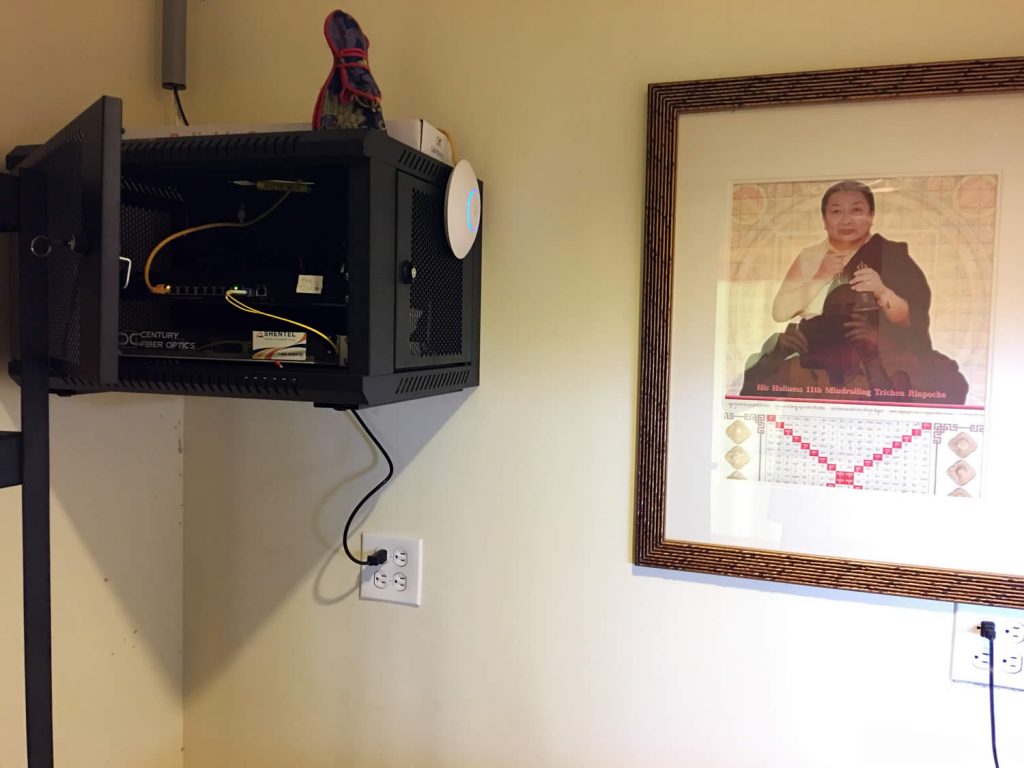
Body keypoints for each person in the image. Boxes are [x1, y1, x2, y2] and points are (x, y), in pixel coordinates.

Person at [771, 180, 932, 354]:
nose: (846, 220)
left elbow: (914, 319)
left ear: (871, 216)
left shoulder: (891, 255)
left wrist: (882, 291)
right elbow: (780, 313)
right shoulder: (810, 256)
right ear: (824, 219)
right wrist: (820, 276)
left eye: (856, 210)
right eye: (836, 211)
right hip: (811, 358)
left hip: (869, 357)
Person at [741, 284, 967, 404]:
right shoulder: (798, 367)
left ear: (871, 319)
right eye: (833, 315)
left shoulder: (899, 363)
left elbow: (955, 393)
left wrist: (873, 357)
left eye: (851, 313)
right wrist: (776, 355)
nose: (841, 323)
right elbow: (744, 398)